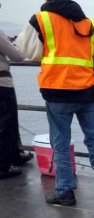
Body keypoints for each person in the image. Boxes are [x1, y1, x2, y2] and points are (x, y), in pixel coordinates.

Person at [15, 0, 94, 205]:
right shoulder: (91, 25)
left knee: (60, 144)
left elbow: (27, 51)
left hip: (57, 93)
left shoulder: (41, 20)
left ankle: (65, 191)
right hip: (87, 92)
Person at [0, 28, 32, 180]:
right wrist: (18, 45)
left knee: (7, 124)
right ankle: (3, 167)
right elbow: (18, 56)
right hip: (2, 85)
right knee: (7, 125)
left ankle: (15, 155)